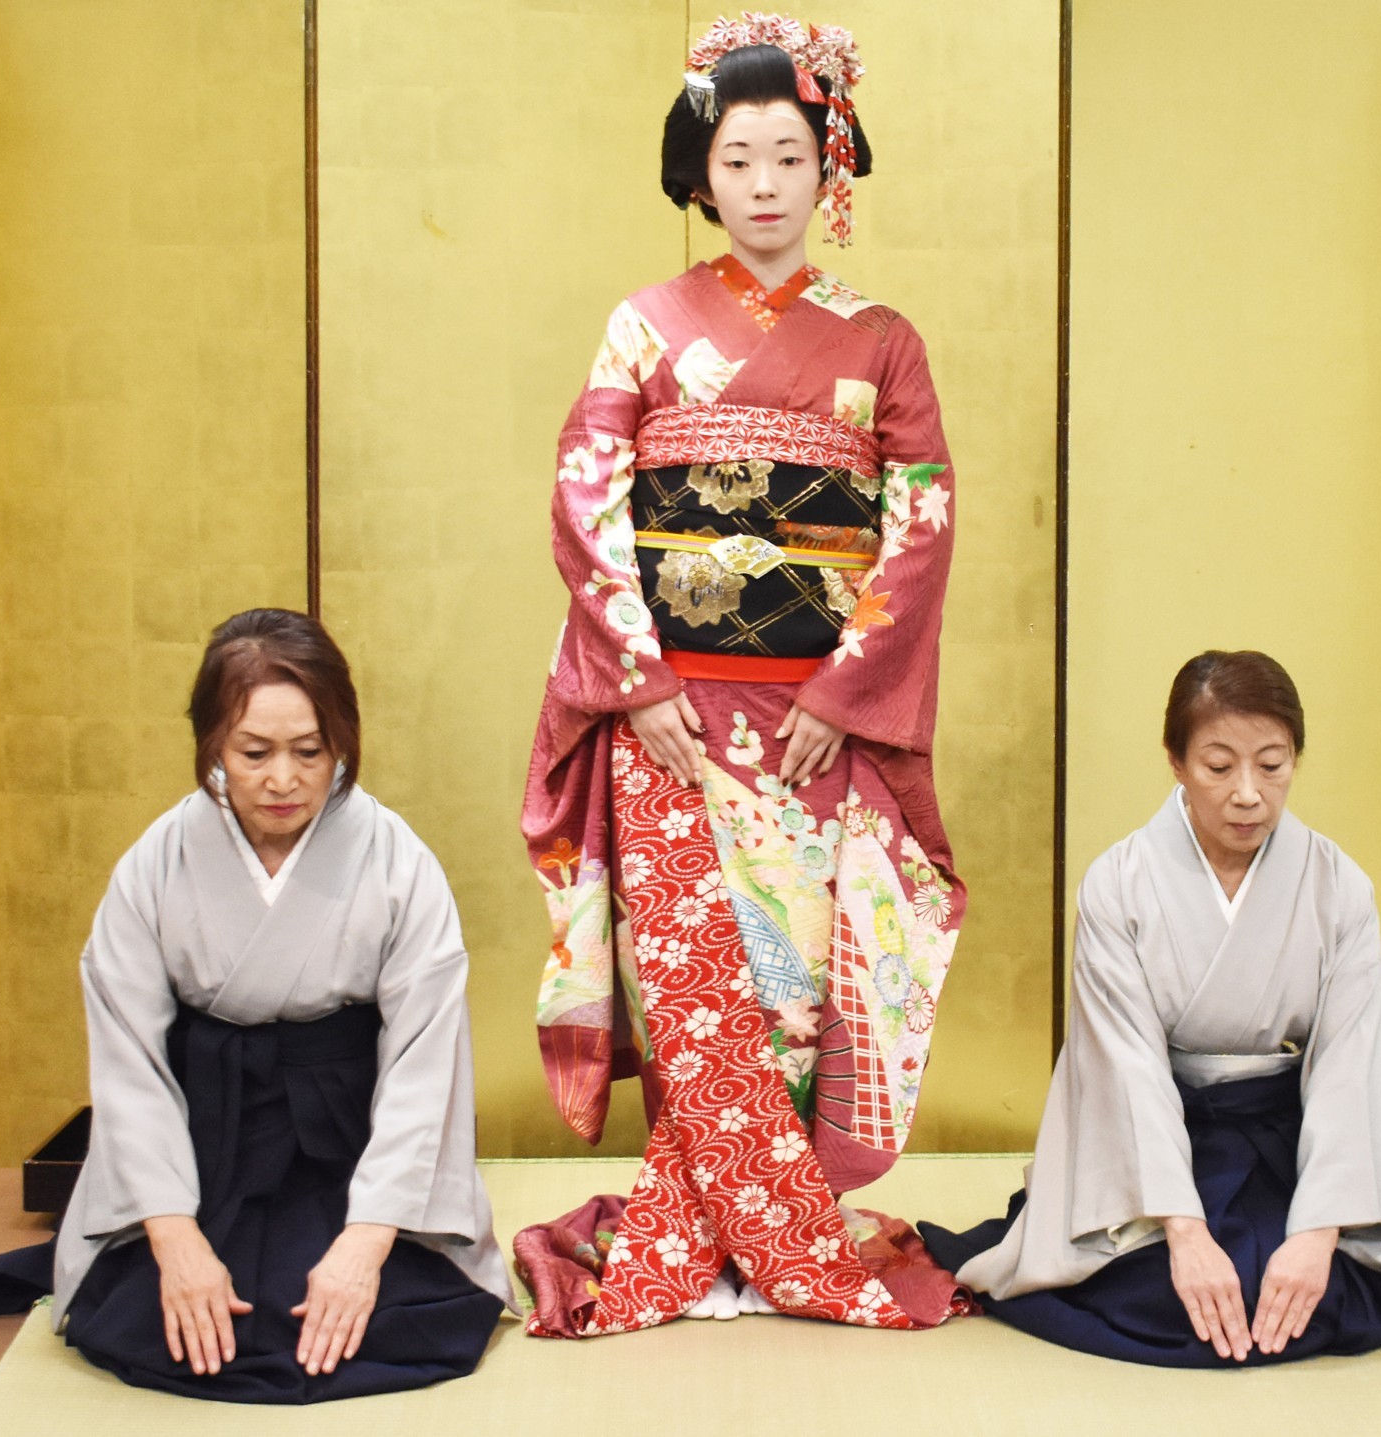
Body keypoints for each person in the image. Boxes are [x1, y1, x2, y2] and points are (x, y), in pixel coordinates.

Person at [515, 14, 967, 1336]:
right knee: (691, 982)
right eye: (738, 158)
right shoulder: (644, 327)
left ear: (831, 168)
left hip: (815, 724)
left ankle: (758, 1232)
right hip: (668, 718)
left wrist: (843, 691)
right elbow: (586, 497)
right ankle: (712, 1238)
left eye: (789, 156)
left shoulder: (881, 340)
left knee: (795, 986)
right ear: (699, 174)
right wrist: (639, 680)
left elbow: (921, 519)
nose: (765, 184)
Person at [0, 610, 513, 1401]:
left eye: (310, 750)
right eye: (254, 751)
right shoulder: (156, 864)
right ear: (211, 745)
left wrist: (366, 1243)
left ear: (342, 741)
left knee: (398, 1315)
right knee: (156, 1316)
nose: (282, 779)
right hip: (204, 1140)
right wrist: (173, 1237)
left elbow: (424, 1064)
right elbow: (131, 1062)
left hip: (349, 1138)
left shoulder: (398, 862)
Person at [920, 651, 1381, 1366]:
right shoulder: (1119, 883)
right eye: (1218, 766)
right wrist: (1183, 1231)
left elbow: (1349, 1066)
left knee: (1312, 1289)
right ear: (1176, 761)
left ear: (1295, 759)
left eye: (1271, 765)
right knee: (1165, 1293)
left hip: (1284, 1137)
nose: (1248, 794)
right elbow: (1127, 1068)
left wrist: (1319, 1231)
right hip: (1155, 1135)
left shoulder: (1340, 888)